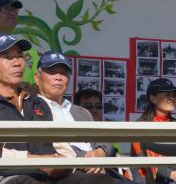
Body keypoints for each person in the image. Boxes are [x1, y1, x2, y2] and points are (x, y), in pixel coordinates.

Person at [0, 34, 114, 184]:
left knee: (100, 181)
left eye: (20, 56)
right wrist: (39, 161)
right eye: (7, 57)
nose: (17, 63)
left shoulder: (36, 105)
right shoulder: (41, 102)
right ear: (37, 77)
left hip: (46, 175)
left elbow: (48, 148)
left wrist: (59, 162)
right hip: (10, 175)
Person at [26, 52, 115, 164]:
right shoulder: (30, 108)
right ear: (37, 78)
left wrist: (100, 151)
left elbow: (104, 141)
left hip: (96, 167)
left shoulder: (81, 112)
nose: (58, 77)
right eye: (52, 72)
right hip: (62, 168)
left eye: (63, 73)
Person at [132, 78, 176, 184]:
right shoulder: (140, 125)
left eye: (174, 95)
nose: (172, 98)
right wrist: (172, 175)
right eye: (167, 94)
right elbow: (144, 159)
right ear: (153, 98)